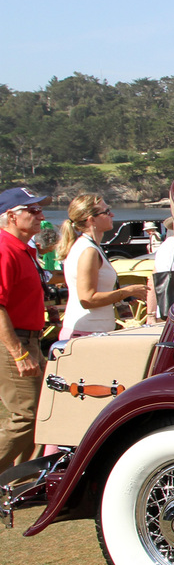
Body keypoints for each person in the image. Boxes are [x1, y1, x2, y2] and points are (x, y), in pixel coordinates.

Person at [0, 187, 48, 470]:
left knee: (39, 412)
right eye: (32, 210)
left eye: (39, 209)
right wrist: (18, 353)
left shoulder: (22, 249)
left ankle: (20, 483)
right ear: (10, 216)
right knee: (25, 415)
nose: (40, 215)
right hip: (14, 342)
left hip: (28, 338)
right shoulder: (5, 249)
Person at [57, 194, 148, 343]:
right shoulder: (88, 251)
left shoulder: (88, 247)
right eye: (106, 212)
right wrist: (126, 292)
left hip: (91, 331)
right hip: (87, 334)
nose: (112, 214)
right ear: (91, 220)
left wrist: (123, 293)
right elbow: (87, 299)